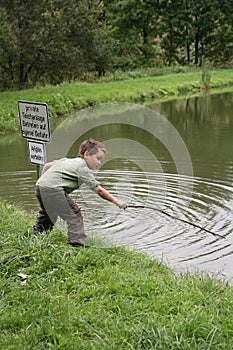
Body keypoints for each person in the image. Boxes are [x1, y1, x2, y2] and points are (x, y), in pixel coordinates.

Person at [33, 138, 128, 247]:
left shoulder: (67, 160)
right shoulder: (83, 168)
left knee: (48, 213)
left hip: (40, 187)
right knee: (74, 214)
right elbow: (99, 190)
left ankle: (38, 234)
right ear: (86, 154)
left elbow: (47, 166)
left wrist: (43, 182)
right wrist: (117, 202)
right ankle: (76, 244)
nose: (99, 163)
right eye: (98, 158)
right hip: (53, 190)